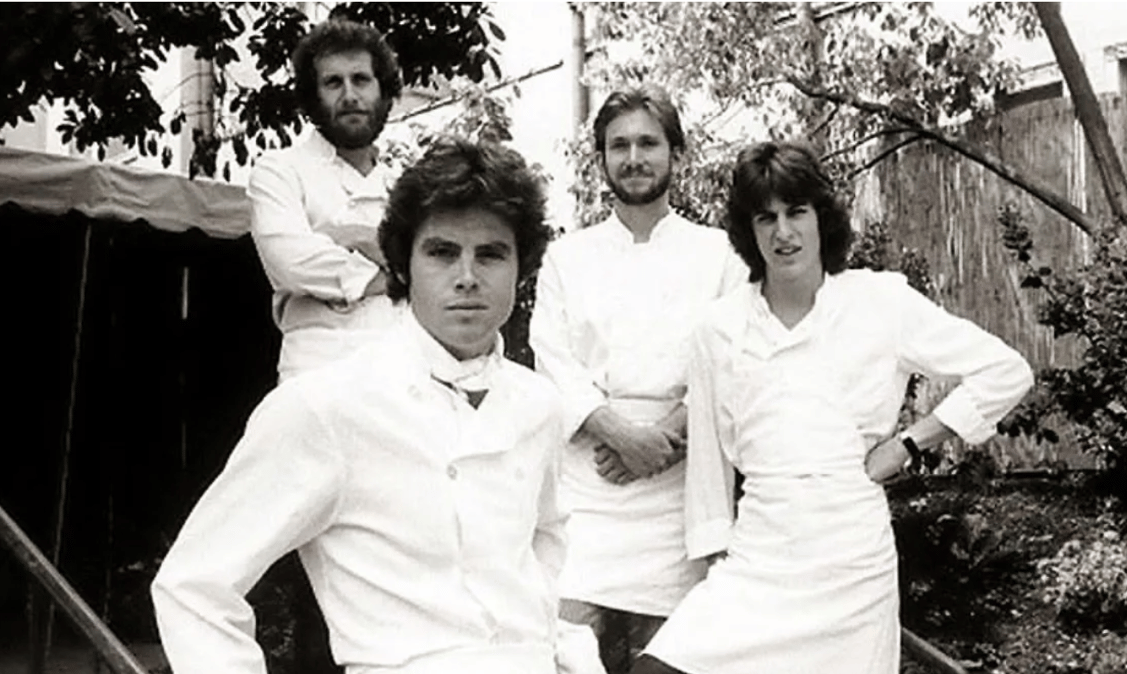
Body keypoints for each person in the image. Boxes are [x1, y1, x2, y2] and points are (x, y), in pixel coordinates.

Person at [152, 138, 575, 674]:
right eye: (442, 252)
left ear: (523, 267)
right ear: (404, 266)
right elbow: (194, 585)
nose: (467, 276)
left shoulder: (537, 405)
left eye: (490, 254)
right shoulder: (326, 406)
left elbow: (549, 545)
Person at [631, 140, 1035, 674]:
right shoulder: (719, 329)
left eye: (797, 212)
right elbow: (708, 467)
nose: (783, 233)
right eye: (765, 217)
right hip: (757, 564)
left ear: (822, 216)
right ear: (748, 231)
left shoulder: (879, 302)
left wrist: (909, 443)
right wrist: (714, 561)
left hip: (851, 566)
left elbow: (1005, 371)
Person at [529, 85, 747, 673]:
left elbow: (733, 362)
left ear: (676, 153)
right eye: (618, 145)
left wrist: (663, 444)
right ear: (600, 160)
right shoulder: (567, 257)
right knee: (561, 647)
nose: (634, 158)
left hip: (683, 485)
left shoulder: (720, 254)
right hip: (589, 479)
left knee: (671, 658)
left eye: (648, 143)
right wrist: (621, 437)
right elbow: (551, 358)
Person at [247, 18, 402, 382]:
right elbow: (293, 262)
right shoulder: (279, 170)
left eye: (361, 79)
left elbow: (437, 273)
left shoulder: (405, 186)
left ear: (383, 90)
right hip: (316, 369)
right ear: (313, 97)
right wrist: (400, 271)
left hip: (402, 370)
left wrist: (356, 239)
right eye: (333, 82)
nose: (350, 95)